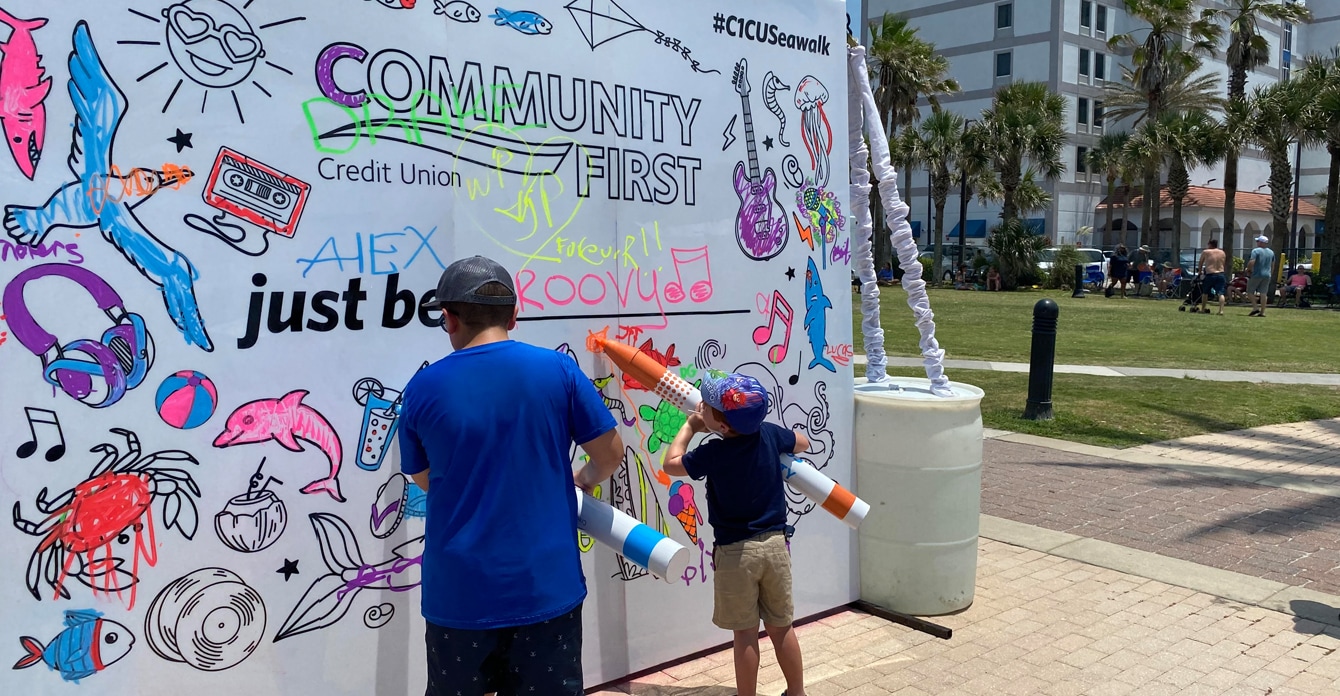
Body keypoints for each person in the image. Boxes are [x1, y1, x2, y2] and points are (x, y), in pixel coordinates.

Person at [399, 255, 626, 696]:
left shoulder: (423, 388)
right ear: (515, 316)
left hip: (459, 595)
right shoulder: (558, 371)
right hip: (546, 588)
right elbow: (610, 454)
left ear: (448, 318)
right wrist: (582, 479)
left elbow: (426, 479)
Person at [662, 372, 811, 696]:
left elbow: (671, 464)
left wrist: (690, 426)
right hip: (774, 546)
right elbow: (802, 441)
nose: (703, 406)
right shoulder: (769, 435)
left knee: (745, 634)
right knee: (781, 627)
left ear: (723, 426)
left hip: (734, 554)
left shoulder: (713, 453)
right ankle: (796, 692)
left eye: (709, 406)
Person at [1246, 235, 1276, 317]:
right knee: (1263, 293)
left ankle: (1255, 307)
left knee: (1249, 292)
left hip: (1257, 274)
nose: (1257, 243)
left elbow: (1252, 261)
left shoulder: (1256, 251)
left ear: (1261, 242)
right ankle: (1262, 312)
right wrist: (1271, 273)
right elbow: (1273, 265)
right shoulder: (1271, 252)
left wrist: (1248, 270)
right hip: (1267, 275)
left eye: (1258, 241)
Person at [1195, 239, 1227, 315]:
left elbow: (1200, 262)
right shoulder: (1222, 252)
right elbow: (1223, 263)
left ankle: (1203, 309)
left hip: (1210, 274)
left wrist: (1199, 272)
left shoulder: (1206, 252)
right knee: (1221, 293)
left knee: (1205, 292)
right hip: (1221, 274)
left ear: (1210, 244)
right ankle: (1221, 310)